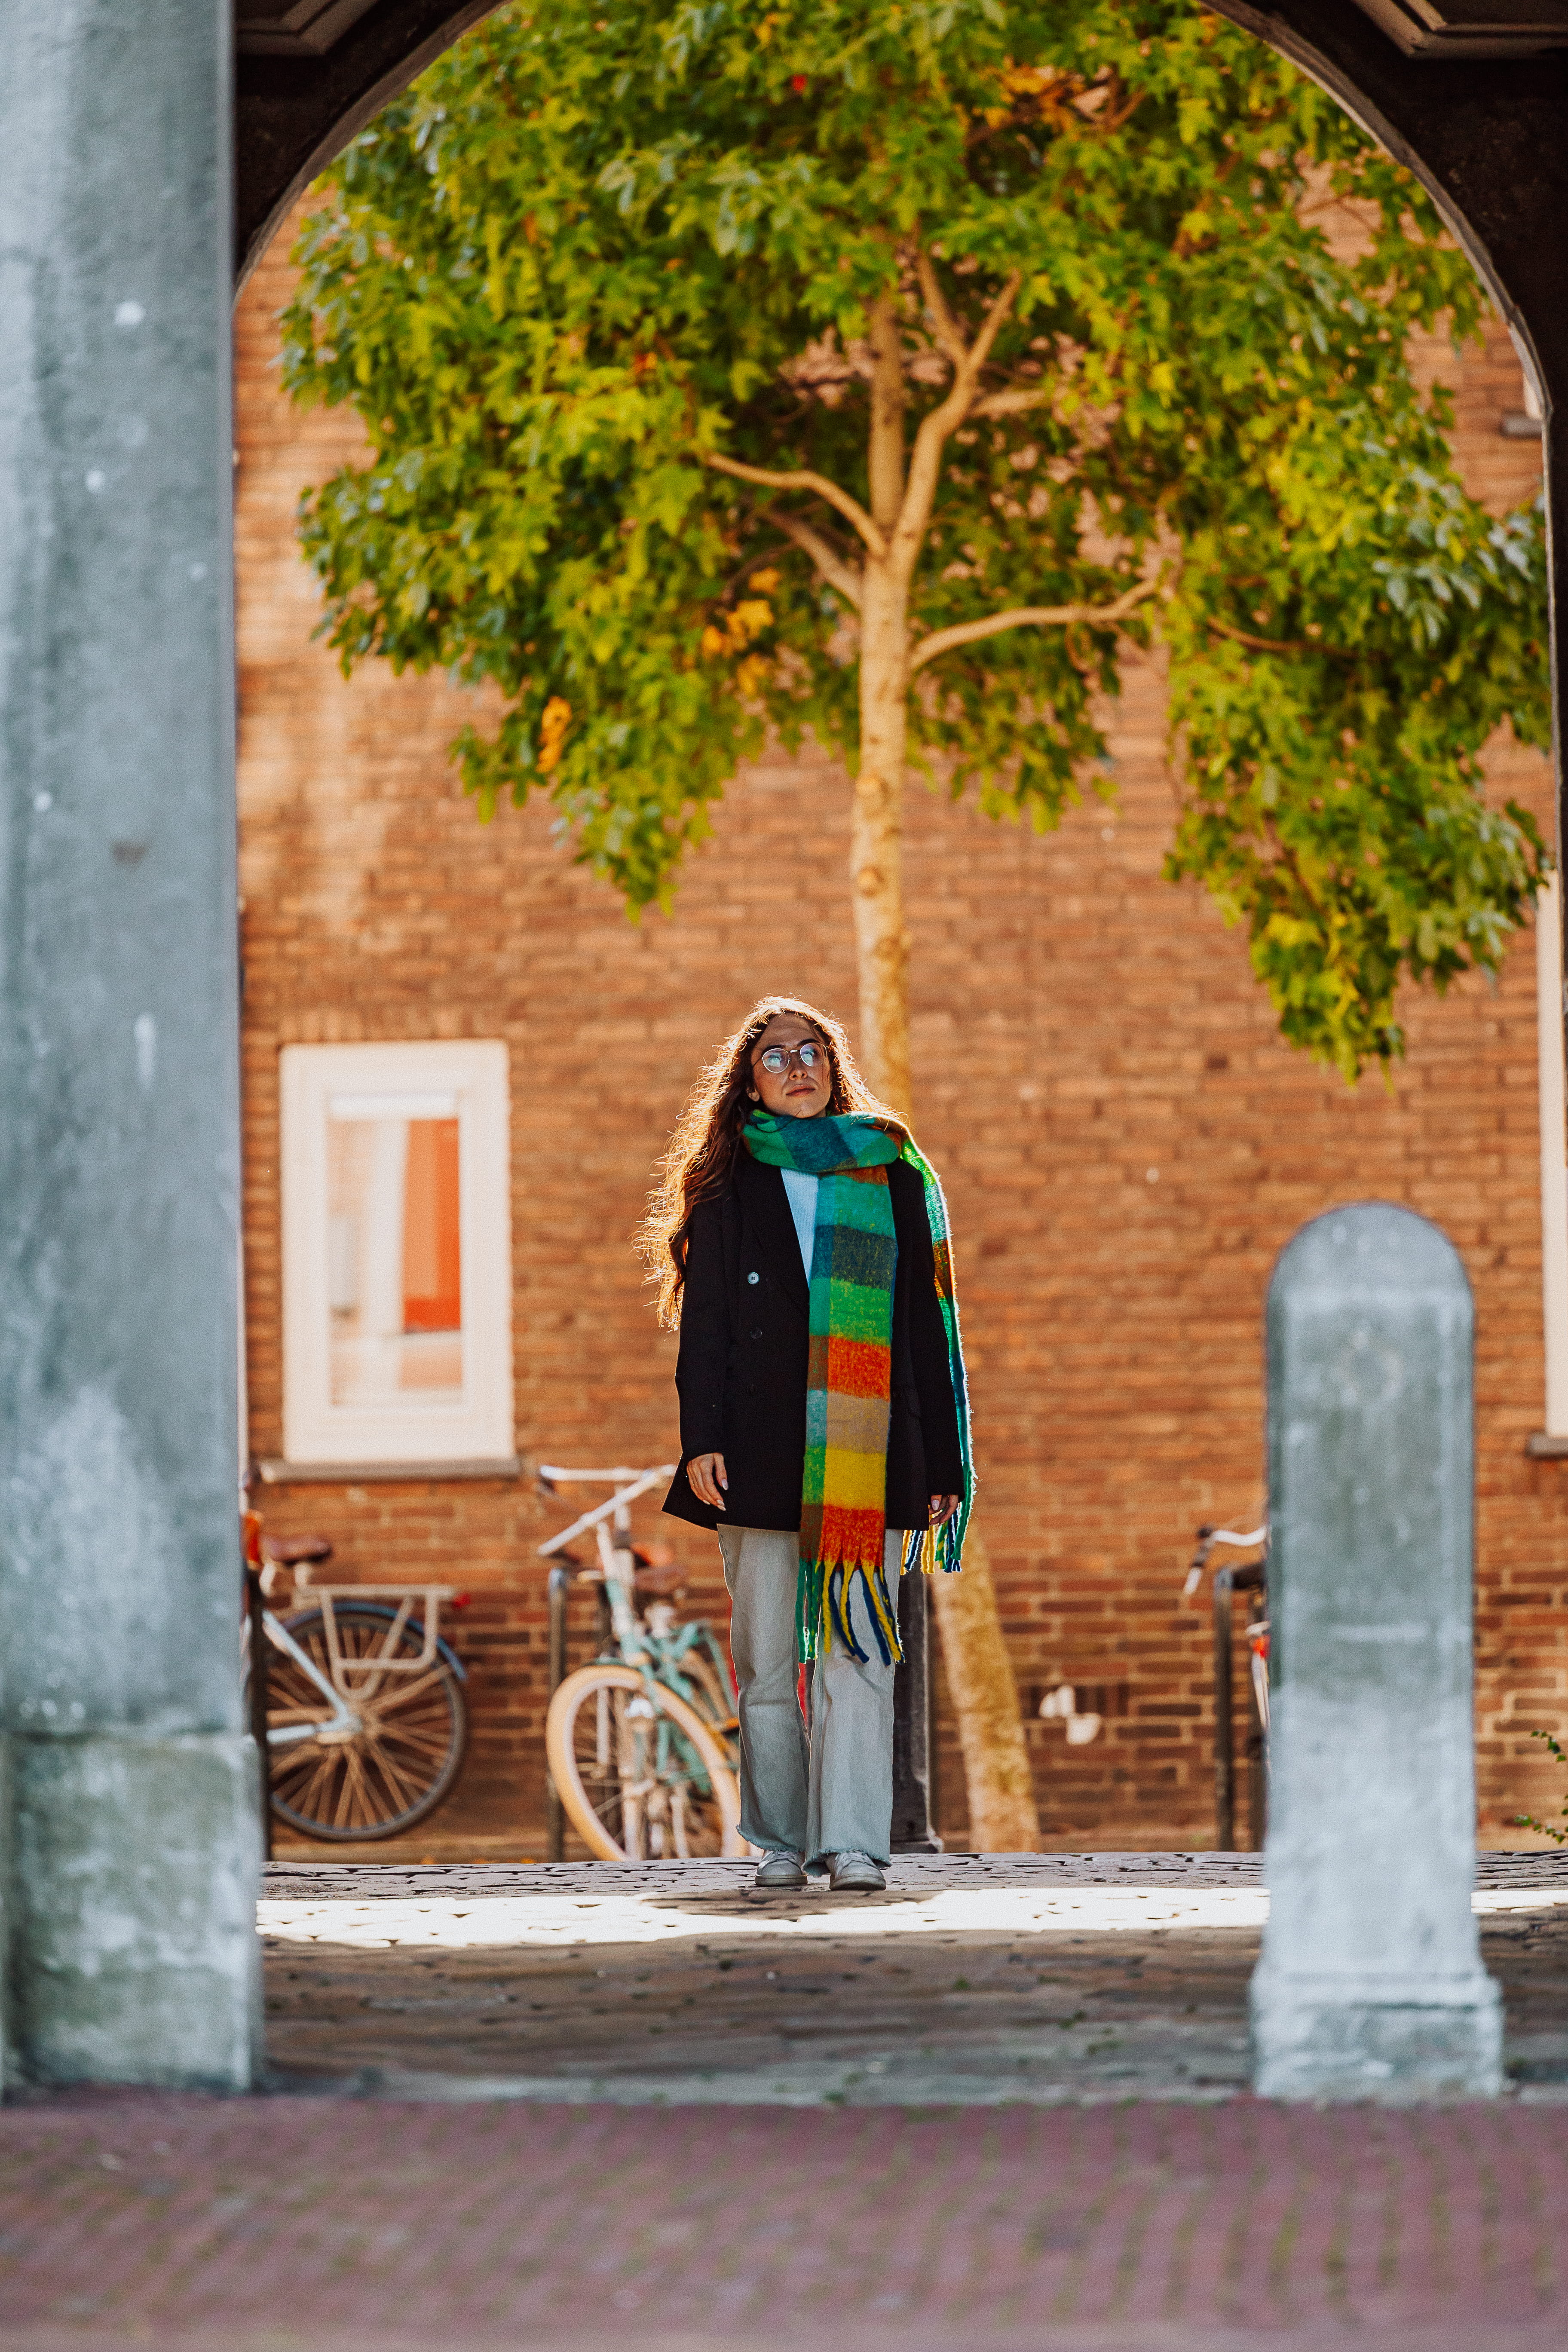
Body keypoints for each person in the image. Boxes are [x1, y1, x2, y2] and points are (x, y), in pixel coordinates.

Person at [638, 995, 972, 1893]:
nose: (799, 1065)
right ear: (749, 1083)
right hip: (756, 1453)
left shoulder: (888, 1172)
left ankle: (855, 1842)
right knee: (769, 1667)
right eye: (776, 1055)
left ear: (834, 1066)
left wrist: (942, 1459)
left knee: (859, 1651)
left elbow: (921, 1328)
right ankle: (781, 1842)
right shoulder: (726, 1186)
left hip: (868, 1457)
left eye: (813, 1049)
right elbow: (703, 1327)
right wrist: (699, 1438)